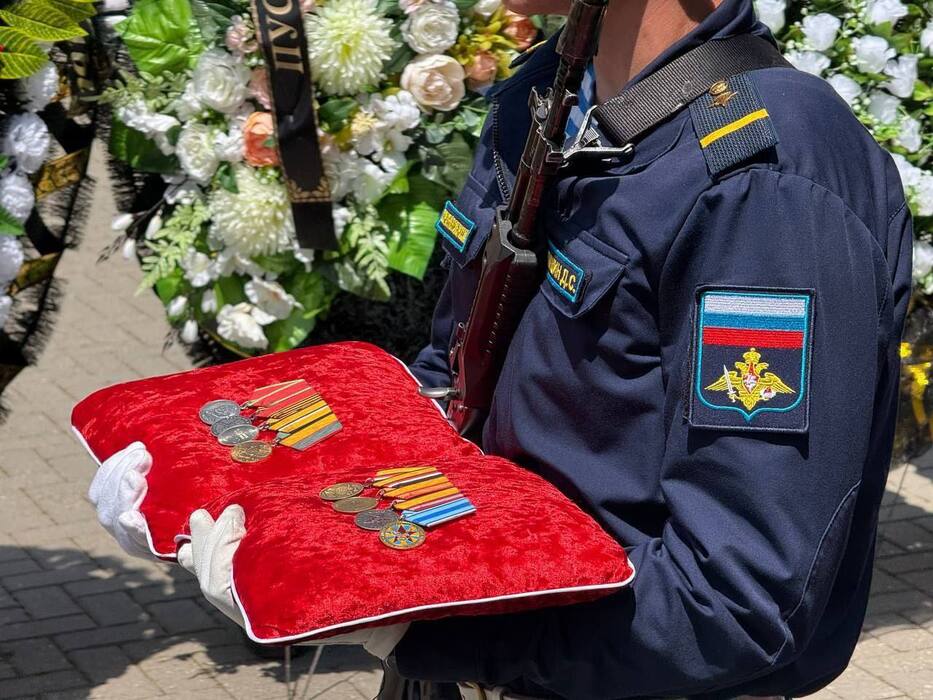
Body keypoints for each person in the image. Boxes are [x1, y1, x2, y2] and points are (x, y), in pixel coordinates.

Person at [170, 0, 915, 696]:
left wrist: (429, 630)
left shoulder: (763, 183)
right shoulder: (550, 97)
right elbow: (458, 384)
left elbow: (738, 596)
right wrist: (285, 495)